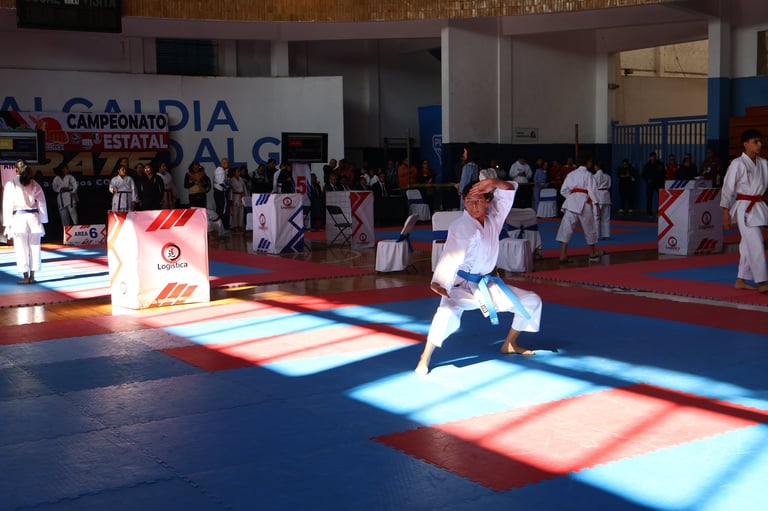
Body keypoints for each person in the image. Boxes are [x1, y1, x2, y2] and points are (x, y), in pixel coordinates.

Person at [414, 178, 542, 376]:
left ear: (487, 201)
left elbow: (508, 190)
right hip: (460, 285)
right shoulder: (461, 226)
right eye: (469, 201)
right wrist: (440, 282)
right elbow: (451, 254)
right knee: (445, 315)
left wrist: (492, 182)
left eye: (478, 200)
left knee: (531, 301)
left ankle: (509, 343)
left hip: (486, 284)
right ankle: (425, 357)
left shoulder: (494, 217)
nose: (473, 206)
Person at [719, 128, 768, 293]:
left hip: (758, 206)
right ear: (745, 144)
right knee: (757, 243)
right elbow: (727, 188)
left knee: (747, 245)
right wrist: (725, 211)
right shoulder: (737, 163)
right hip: (744, 208)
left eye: (760, 141)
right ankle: (761, 282)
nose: (759, 144)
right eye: (755, 142)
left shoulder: (764, 163)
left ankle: (740, 279)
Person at [2, 159, 49, 284]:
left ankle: (25, 277)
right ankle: (32, 277)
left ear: (16, 169)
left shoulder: (11, 183)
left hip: (19, 219)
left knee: (21, 249)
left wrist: (7, 223)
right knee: (35, 248)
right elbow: (42, 202)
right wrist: (43, 219)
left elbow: (7, 205)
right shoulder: (33, 183)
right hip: (34, 218)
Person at [556, 153, 602, 263]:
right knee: (589, 227)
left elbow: (563, 190)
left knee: (566, 227)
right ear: (588, 162)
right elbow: (592, 191)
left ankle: (563, 255)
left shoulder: (571, 174)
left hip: (571, 203)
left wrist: (573, 197)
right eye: (590, 161)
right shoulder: (588, 175)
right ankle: (592, 253)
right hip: (584, 202)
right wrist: (596, 204)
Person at [457, 142, 480, 210]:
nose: (463, 154)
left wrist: (460, 189)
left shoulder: (468, 167)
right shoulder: (478, 166)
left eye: (465, 152)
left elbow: (464, 184)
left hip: (467, 196)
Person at [643, 151, 666, 219]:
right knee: (649, 198)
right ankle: (649, 213)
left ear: (656, 157)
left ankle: (659, 212)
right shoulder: (647, 165)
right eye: (652, 157)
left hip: (659, 184)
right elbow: (643, 174)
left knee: (660, 198)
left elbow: (663, 173)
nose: (653, 158)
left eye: (654, 157)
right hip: (650, 184)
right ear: (650, 157)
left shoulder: (660, 164)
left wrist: (662, 182)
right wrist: (647, 180)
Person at [593, 160, 612, 240]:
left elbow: (593, 186)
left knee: (596, 217)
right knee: (606, 217)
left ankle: (596, 235)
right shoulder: (607, 176)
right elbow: (609, 186)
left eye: (595, 166)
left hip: (599, 196)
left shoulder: (595, 176)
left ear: (597, 167)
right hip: (606, 196)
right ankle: (606, 235)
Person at [213, 158, 231, 230]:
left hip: (219, 192)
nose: (229, 164)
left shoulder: (222, 170)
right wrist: (228, 187)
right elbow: (221, 182)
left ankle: (222, 226)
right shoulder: (220, 170)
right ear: (223, 163)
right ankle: (223, 226)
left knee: (221, 209)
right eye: (227, 163)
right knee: (222, 209)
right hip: (220, 192)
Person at [229, 165, 248, 232]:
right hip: (235, 196)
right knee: (235, 212)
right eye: (237, 171)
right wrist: (230, 199)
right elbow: (232, 189)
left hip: (241, 196)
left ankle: (240, 225)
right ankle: (234, 226)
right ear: (234, 172)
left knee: (241, 211)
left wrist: (246, 196)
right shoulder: (231, 180)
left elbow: (244, 188)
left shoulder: (241, 179)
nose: (239, 173)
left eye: (239, 171)